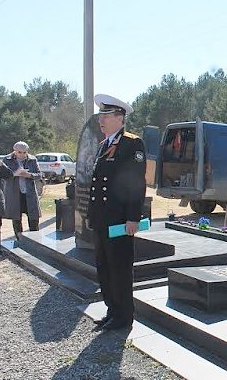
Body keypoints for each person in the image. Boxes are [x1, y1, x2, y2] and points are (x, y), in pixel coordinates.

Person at [88, 94, 146, 331]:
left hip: (120, 220)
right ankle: (112, 311)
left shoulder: (132, 144)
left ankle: (124, 317)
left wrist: (133, 217)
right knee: (105, 266)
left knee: (120, 267)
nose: (101, 120)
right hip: (103, 219)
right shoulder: (104, 145)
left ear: (119, 118)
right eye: (100, 115)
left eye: (106, 116)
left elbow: (136, 183)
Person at [3, 141, 42, 239]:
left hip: (29, 193)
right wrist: (15, 174)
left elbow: (39, 175)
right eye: (20, 152)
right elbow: (3, 175)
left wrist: (29, 175)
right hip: (15, 194)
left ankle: (35, 240)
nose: (23, 154)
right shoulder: (7, 160)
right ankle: (19, 240)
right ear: (15, 151)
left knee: (33, 218)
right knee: (16, 219)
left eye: (25, 152)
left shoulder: (32, 159)